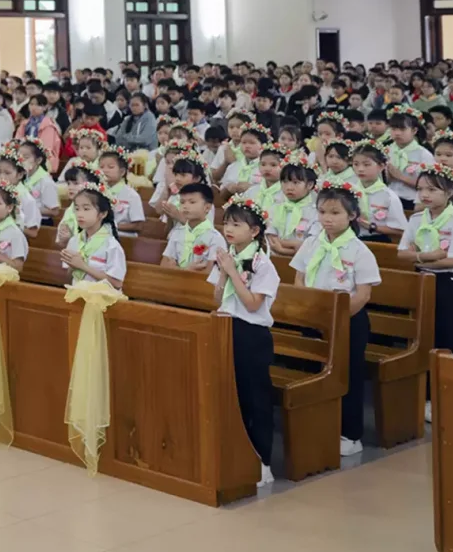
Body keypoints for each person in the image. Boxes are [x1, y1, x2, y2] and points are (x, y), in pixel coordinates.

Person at [291, 185, 380, 457]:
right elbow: (299, 278)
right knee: (313, 371)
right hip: (314, 318)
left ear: (352, 215)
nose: (327, 218)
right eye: (322, 212)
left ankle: (350, 434)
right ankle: (317, 423)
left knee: (347, 375)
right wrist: (310, 310)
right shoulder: (311, 242)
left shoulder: (359, 251)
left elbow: (363, 294)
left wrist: (336, 318)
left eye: (335, 213)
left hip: (347, 320)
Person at [212, 200, 278, 488]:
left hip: (252, 335)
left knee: (256, 399)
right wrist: (223, 272)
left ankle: (263, 461)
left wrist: (231, 272)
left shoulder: (263, 264)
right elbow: (217, 299)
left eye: (236, 224)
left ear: (254, 231)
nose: (229, 229)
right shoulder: (228, 257)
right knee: (233, 395)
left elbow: (252, 304)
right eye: (227, 223)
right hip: (226, 327)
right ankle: (237, 454)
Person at [398, 165, 453, 361]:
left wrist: (418, 257)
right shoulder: (416, 220)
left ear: (449, 192)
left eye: (432, 189)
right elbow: (402, 254)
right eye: (420, 189)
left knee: (450, 338)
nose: (424, 195)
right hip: (420, 279)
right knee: (424, 334)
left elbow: (452, 261)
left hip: (448, 284)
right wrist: (430, 256)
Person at [61, 187, 126, 289]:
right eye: (77, 209)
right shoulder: (74, 241)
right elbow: (69, 279)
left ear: (103, 214)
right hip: (76, 293)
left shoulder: (112, 245)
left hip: (102, 296)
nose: (79, 214)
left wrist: (83, 266)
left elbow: (117, 284)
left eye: (86, 209)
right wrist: (72, 266)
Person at [162, 182, 225, 271]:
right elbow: (164, 265)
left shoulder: (214, 238)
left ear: (207, 208)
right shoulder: (177, 232)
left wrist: (178, 270)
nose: (185, 206)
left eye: (192, 202)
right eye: (182, 202)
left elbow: (211, 272)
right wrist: (186, 270)